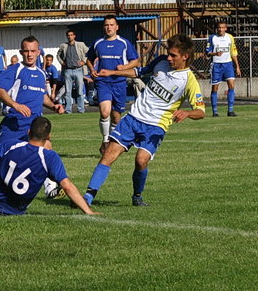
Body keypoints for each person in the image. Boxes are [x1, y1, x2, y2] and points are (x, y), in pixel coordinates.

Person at [82, 34, 205, 207]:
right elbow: (140, 72)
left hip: (156, 126)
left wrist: (187, 113)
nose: (168, 58)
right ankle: (88, 197)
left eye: (173, 55)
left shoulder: (189, 80)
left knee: (141, 160)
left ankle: (137, 196)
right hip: (133, 118)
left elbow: (201, 111)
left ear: (185, 56)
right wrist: (113, 72)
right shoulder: (161, 61)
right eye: (168, 54)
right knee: (109, 154)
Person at [0, 36, 65, 199]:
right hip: (13, 126)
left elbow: (42, 96)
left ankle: (50, 188)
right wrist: (16, 105)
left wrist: (53, 106)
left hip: (34, 128)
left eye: (33, 51)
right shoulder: (15, 69)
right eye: (26, 51)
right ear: (21, 52)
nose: (30, 54)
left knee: (44, 150)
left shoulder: (41, 73)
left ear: (38, 52)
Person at [87, 15, 139, 153]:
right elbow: (89, 59)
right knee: (105, 112)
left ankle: (112, 141)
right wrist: (92, 70)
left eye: (111, 25)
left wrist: (125, 67)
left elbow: (135, 61)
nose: (108, 27)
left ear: (117, 27)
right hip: (103, 83)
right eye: (106, 25)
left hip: (119, 83)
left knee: (116, 117)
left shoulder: (124, 43)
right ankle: (105, 141)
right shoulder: (98, 43)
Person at [205, 21, 241, 117]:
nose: (220, 29)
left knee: (231, 85)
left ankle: (230, 111)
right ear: (217, 28)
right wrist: (215, 54)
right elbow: (207, 52)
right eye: (219, 28)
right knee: (215, 88)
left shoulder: (230, 37)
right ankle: (215, 112)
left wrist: (237, 66)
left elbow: (233, 52)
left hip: (228, 65)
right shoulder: (212, 38)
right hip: (216, 65)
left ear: (226, 28)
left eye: (222, 27)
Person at [56, 29, 90, 114]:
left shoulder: (80, 44)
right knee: (67, 91)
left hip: (78, 70)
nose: (70, 37)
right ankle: (68, 110)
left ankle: (81, 110)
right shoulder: (63, 45)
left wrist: (84, 61)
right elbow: (58, 55)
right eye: (68, 35)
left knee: (79, 91)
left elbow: (89, 53)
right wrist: (61, 62)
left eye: (71, 35)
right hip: (67, 70)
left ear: (74, 36)